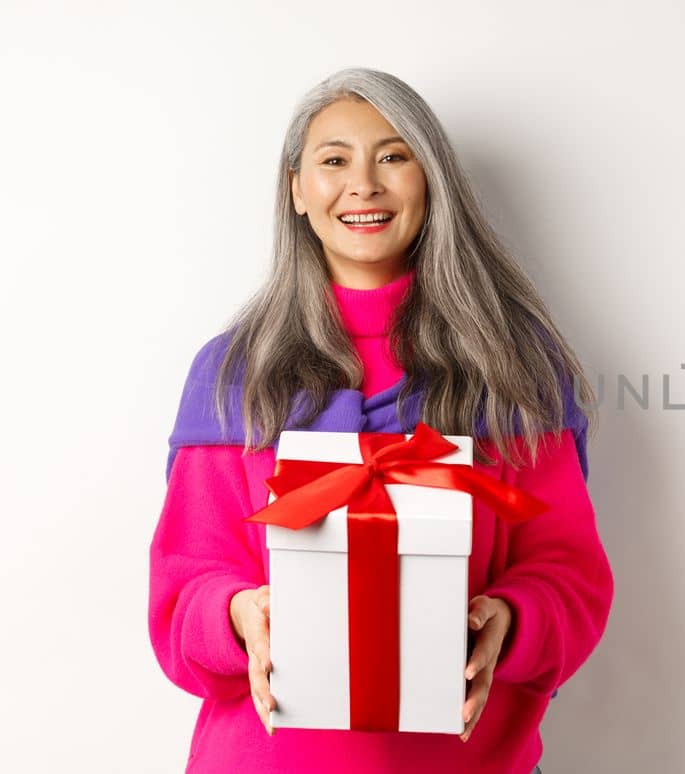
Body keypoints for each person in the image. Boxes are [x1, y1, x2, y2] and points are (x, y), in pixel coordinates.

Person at [147, 67, 613, 774]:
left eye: (394, 156)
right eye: (334, 161)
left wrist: (511, 620)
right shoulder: (233, 374)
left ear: (432, 182)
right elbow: (184, 587)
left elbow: (569, 572)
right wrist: (239, 617)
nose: (363, 185)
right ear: (297, 190)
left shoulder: (513, 367)